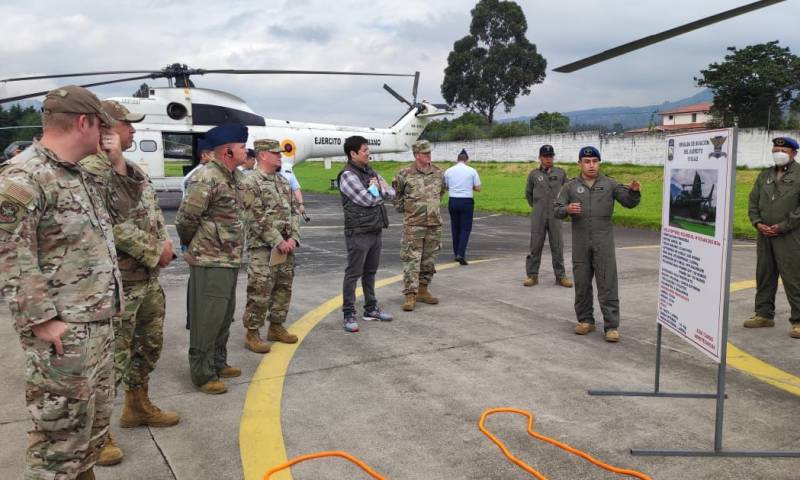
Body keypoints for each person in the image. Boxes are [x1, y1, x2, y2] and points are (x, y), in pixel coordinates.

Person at [0, 85, 143, 480]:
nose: (107, 133)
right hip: (65, 334)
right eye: (102, 126)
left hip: (95, 326)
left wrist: (116, 160)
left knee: (88, 435)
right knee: (57, 448)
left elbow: (121, 211)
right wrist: (42, 320)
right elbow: (9, 254)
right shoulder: (25, 177)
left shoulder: (76, 173)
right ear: (84, 122)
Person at [80, 100, 180, 466]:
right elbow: (110, 222)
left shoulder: (129, 167)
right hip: (118, 280)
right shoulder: (91, 169)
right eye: (127, 125)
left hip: (145, 277)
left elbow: (150, 212)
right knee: (110, 360)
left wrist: (166, 244)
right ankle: (98, 433)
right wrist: (156, 251)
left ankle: (137, 406)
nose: (133, 130)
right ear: (106, 128)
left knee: (146, 346)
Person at [176, 124, 248, 394]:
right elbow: (186, 218)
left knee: (223, 315)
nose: (245, 150)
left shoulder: (234, 176)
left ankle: (218, 361)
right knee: (207, 317)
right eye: (241, 147)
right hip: (209, 258)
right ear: (228, 150)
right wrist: (190, 245)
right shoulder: (206, 177)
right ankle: (202, 373)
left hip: (229, 257)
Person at [554, 146, 641, 343]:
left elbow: (629, 202)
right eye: (587, 161)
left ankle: (611, 326)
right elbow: (556, 209)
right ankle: (585, 320)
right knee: (582, 282)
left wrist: (634, 192)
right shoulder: (570, 186)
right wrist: (567, 208)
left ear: (599, 162)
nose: (591, 165)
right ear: (580, 164)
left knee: (607, 282)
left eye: (594, 161)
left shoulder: (610, 184)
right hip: (581, 242)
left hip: (604, 242)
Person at [241, 139, 301, 352]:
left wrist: (293, 237)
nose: (280, 156)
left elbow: (294, 211)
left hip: (287, 247)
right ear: (263, 155)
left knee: (283, 288)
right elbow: (254, 217)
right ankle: (252, 333)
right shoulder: (250, 183)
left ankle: (276, 326)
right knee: (260, 291)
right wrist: (278, 240)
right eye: (275, 153)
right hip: (264, 248)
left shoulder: (283, 182)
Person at [338, 135, 395, 332]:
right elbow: (366, 200)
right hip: (358, 232)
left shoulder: (370, 171)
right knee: (353, 273)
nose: (368, 153)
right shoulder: (347, 175)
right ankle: (348, 313)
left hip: (375, 229)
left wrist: (378, 190)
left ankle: (371, 308)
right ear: (353, 154)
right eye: (364, 150)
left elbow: (391, 193)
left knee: (370, 272)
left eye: (367, 149)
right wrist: (379, 191)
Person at [745, 136, 800, 339]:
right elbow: (753, 201)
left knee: (793, 277)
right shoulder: (764, 175)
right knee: (765, 274)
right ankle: (764, 314)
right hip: (764, 234)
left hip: (790, 235)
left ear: (793, 153)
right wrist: (757, 222)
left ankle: (798, 321)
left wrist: (783, 226)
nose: (779, 153)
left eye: (784, 151)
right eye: (776, 149)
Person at [393, 139, 446, 312]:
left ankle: (423, 289)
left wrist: (430, 209)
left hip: (434, 224)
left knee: (429, 259)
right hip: (413, 225)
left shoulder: (438, 172)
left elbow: (441, 193)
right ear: (416, 155)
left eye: (429, 152)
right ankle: (410, 294)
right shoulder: (404, 173)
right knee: (411, 260)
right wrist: (410, 211)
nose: (428, 155)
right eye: (425, 153)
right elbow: (397, 197)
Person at [524, 144, 572, 288]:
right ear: (540, 158)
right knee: (535, 245)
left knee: (557, 246)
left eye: (550, 156)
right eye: (545, 156)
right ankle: (532, 276)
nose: (548, 159)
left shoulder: (561, 173)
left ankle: (561, 277)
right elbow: (528, 194)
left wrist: (563, 207)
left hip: (556, 215)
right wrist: (538, 206)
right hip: (538, 214)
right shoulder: (534, 175)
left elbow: (567, 192)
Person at [183, 138, 213, 330]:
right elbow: (189, 214)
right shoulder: (197, 175)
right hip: (196, 236)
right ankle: (192, 317)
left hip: (205, 237)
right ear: (204, 155)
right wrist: (187, 242)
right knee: (196, 280)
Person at [444, 148, 481, 265]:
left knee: (455, 227)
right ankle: (461, 253)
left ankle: (456, 253)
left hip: (453, 200)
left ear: (457, 159)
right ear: (467, 159)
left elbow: (446, 186)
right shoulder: (472, 171)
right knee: (465, 228)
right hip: (466, 201)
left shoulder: (449, 171)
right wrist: (470, 187)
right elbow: (478, 188)